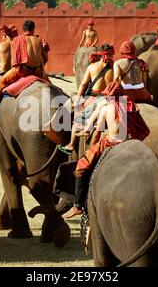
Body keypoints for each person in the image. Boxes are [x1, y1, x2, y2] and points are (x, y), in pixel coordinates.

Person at [62, 82, 150, 219]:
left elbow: (92, 131)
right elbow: (142, 129)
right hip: (128, 142)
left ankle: (78, 206)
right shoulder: (129, 105)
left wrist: (85, 137)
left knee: (81, 167)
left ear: (108, 94)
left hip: (110, 143)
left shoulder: (104, 108)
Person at [0, 20, 49, 112]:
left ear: (23, 29)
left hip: (23, 70)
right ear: (33, 29)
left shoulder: (18, 40)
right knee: (49, 84)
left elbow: (14, 61)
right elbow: (46, 58)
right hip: (39, 71)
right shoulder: (40, 39)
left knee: (1, 82)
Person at [57, 45, 114, 155]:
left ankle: (71, 144)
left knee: (77, 119)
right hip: (105, 99)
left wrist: (78, 98)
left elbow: (83, 84)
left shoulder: (92, 67)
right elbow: (112, 86)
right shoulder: (112, 68)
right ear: (110, 55)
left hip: (91, 98)